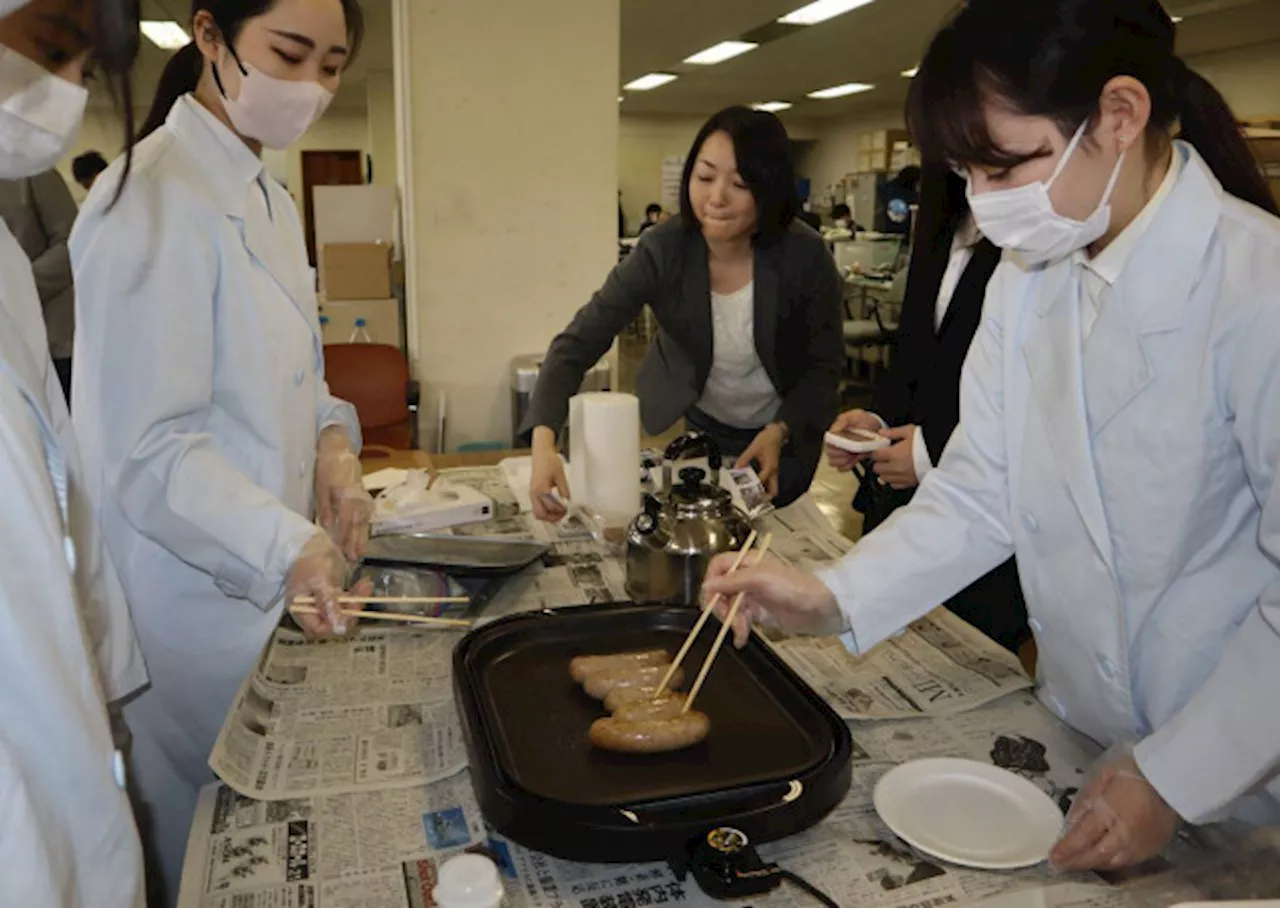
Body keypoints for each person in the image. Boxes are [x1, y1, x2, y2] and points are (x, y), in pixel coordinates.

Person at [704, 0, 1280, 874]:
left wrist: (1174, 776)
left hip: (1239, 767)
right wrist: (831, 597)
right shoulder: (1029, 282)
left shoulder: (1257, 290)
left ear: (1119, 116)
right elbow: (981, 490)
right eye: (969, 174)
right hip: (1086, 731)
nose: (985, 205)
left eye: (1008, 168)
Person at [70, 0, 369, 901]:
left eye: (332, 63)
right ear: (209, 36)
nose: (310, 87)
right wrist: (290, 544)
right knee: (203, 858)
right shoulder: (147, 199)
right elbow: (146, 450)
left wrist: (332, 449)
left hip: (267, 580)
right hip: (188, 610)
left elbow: (295, 375)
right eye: (288, 53)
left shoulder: (267, 195)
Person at [0, 0, 148, 905]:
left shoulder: (5, 269)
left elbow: (57, 492)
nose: (60, 93)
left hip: (61, 745)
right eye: (52, 50)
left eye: (83, 72)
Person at [525, 106, 844, 517]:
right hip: (704, 424)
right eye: (705, 177)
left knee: (770, 545)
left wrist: (779, 431)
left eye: (740, 183)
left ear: (769, 189)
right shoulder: (664, 248)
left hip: (785, 427)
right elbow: (578, 343)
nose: (716, 198)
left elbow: (824, 366)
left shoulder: (805, 255)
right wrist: (543, 443)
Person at [832, 164, 1029, 654]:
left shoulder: (1027, 241)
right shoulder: (942, 227)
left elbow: (1020, 395)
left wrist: (932, 449)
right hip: (909, 497)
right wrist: (877, 422)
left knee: (969, 644)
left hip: (980, 506)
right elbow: (915, 352)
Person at [0, 167, 78, 400]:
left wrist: (17, 290)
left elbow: (71, 244)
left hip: (54, 342)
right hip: (8, 353)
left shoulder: (33, 169)